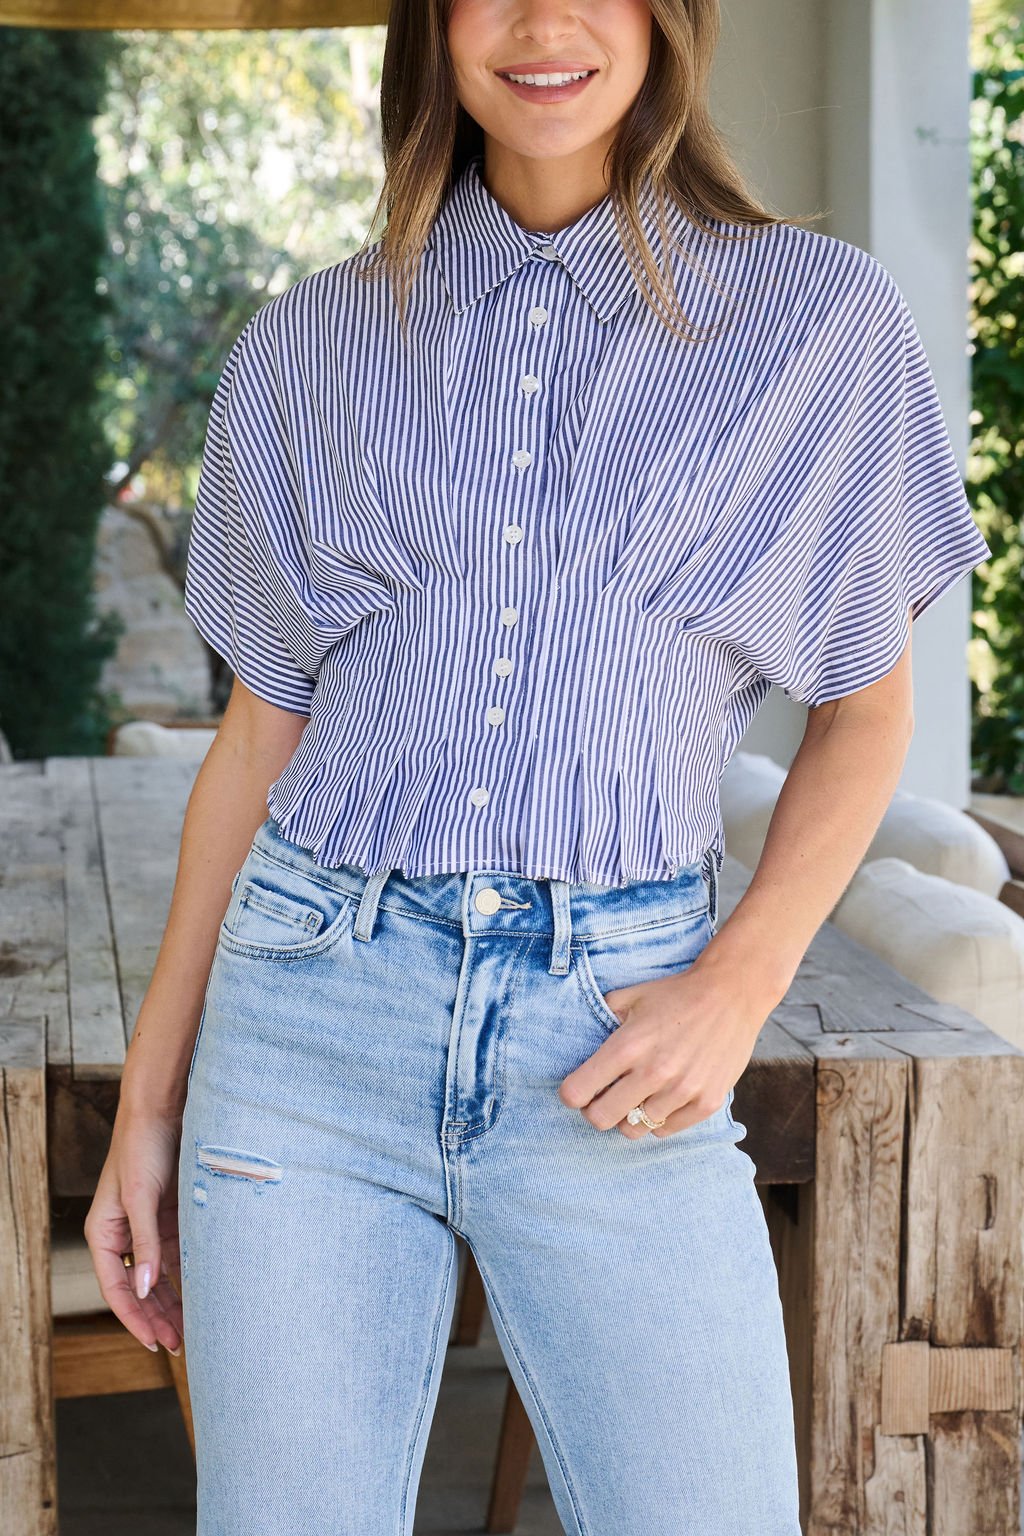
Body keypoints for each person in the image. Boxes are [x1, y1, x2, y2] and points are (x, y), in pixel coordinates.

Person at [85, 1, 992, 1532]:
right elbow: (258, 741)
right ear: (432, 27)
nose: (542, 22)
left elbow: (868, 711)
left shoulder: (815, 324)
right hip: (309, 1020)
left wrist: (735, 985)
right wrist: (147, 1104)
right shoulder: (308, 343)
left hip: (618, 1032)